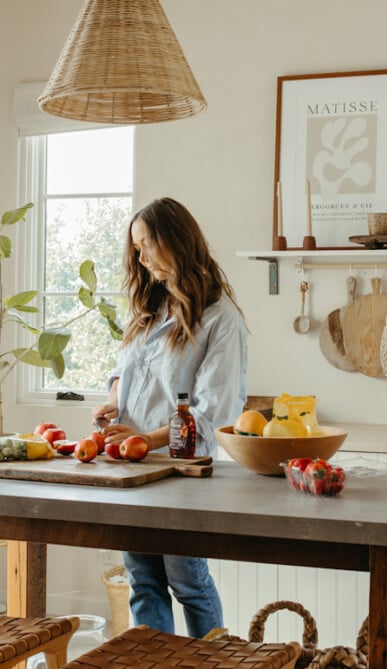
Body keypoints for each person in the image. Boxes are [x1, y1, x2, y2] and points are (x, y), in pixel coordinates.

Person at [92, 197, 248, 637]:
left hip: (181, 475)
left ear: (174, 241)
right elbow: (123, 369)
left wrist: (144, 440)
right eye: (135, 248)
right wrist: (113, 400)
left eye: (146, 245)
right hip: (132, 471)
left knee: (188, 582)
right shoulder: (150, 306)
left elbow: (212, 415)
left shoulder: (220, 319)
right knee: (143, 583)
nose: (139, 257)